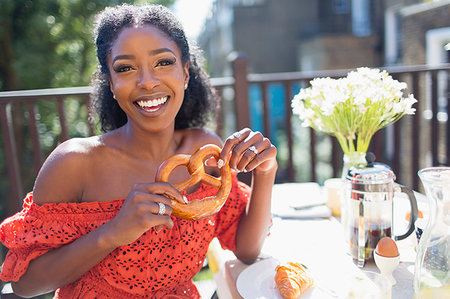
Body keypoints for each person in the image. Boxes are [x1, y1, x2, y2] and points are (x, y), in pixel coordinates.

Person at [0, 4, 277, 298]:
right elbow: (25, 284)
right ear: (111, 82)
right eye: (125, 68)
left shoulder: (204, 152)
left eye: (163, 63)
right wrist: (112, 233)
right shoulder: (75, 163)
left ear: (185, 73)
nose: (147, 81)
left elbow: (247, 251)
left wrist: (266, 172)